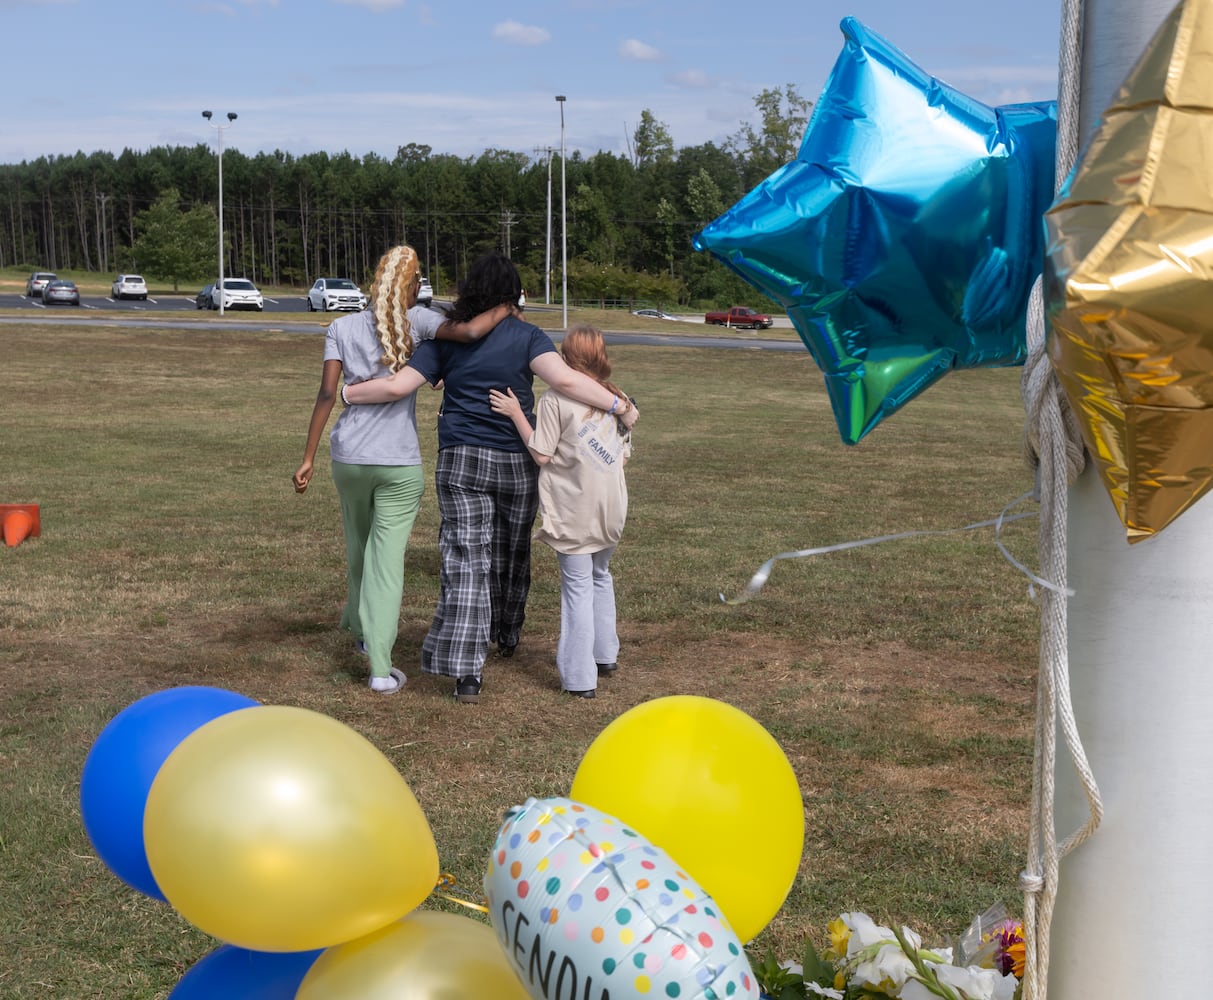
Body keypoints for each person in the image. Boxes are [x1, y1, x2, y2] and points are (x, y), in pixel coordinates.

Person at [342, 253, 637, 704]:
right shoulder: (528, 337)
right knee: (509, 552)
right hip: (516, 464)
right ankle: (506, 633)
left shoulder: (448, 337)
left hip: (461, 460)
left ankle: (467, 671)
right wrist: (619, 407)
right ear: (511, 292)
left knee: (465, 560)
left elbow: (397, 387)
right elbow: (568, 382)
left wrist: (347, 392)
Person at [293, 245, 507, 695]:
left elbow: (327, 395)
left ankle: (359, 632)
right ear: (410, 285)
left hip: (348, 458)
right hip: (398, 463)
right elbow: (469, 333)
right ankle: (379, 668)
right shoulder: (423, 321)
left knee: (358, 548)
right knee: (386, 564)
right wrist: (507, 304)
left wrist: (308, 456)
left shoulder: (340, 327)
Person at [488, 325, 631, 698]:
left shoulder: (554, 400)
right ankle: (606, 654)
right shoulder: (618, 398)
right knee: (601, 575)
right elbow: (623, 456)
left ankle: (580, 677)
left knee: (578, 588)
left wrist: (517, 414)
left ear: (566, 358)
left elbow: (541, 453)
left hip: (575, 509)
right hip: (612, 506)